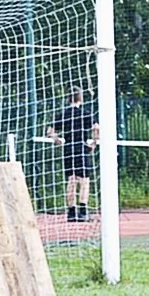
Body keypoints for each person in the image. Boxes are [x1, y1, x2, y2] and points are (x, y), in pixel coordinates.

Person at [45, 86, 99, 222]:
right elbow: (96, 128)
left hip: (68, 148)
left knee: (71, 179)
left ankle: (71, 211)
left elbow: (50, 131)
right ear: (80, 97)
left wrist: (56, 140)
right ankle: (83, 210)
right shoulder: (85, 113)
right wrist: (94, 143)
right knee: (84, 180)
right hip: (81, 147)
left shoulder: (63, 114)